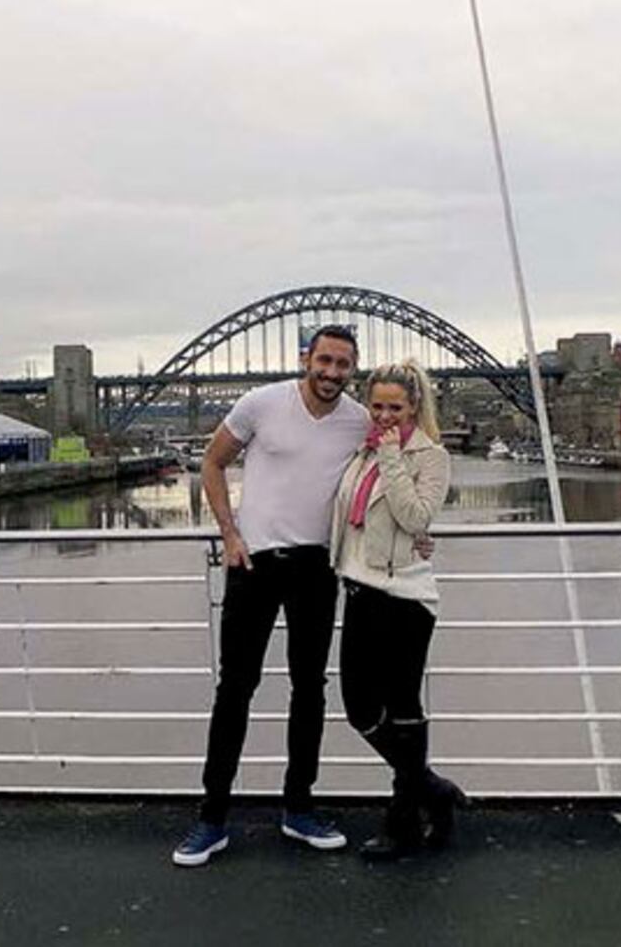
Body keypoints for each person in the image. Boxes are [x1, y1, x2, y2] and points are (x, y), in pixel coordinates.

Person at [171, 325, 370, 868]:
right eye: (324, 360)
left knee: (310, 690)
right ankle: (211, 819)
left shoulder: (360, 420)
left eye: (343, 365)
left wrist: (415, 526)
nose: (331, 373)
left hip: (316, 567)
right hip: (253, 562)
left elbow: (396, 465)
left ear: (353, 369)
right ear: (307, 359)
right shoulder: (261, 403)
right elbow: (212, 463)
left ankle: (298, 808)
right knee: (235, 688)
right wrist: (230, 534)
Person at [330, 359, 466, 860]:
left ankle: (402, 819)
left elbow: (415, 517)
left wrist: (389, 457)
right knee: (359, 708)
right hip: (360, 589)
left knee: (403, 706)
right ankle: (433, 790)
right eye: (377, 406)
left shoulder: (430, 457)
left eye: (395, 407)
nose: (384, 415)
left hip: (405, 597)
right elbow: (350, 518)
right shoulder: (361, 453)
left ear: (414, 407)